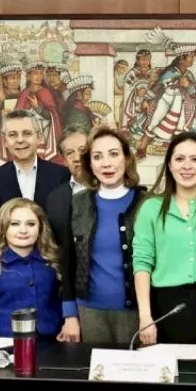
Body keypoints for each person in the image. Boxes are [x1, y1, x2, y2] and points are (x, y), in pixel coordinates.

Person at [133, 132, 196, 345]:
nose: (187, 166)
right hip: (166, 307)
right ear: (169, 165)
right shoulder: (151, 208)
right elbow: (142, 263)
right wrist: (145, 317)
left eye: (195, 159)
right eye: (179, 159)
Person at [59, 126, 145, 344]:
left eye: (114, 154)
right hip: (89, 313)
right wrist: (70, 314)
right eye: (97, 156)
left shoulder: (146, 203)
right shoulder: (78, 203)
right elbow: (68, 262)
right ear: (89, 163)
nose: (106, 163)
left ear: (126, 159)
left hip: (136, 314)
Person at [0, 199, 63, 339]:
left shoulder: (52, 260)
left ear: (40, 228)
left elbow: (62, 302)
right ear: (3, 228)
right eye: (14, 224)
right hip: (3, 341)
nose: (23, 230)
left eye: (31, 224)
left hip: (51, 341)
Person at [0, 110, 71, 215]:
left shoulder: (61, 176)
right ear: (4, 141)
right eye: (13, 135)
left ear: (39, 137)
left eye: (27, 133)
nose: (20, 140)